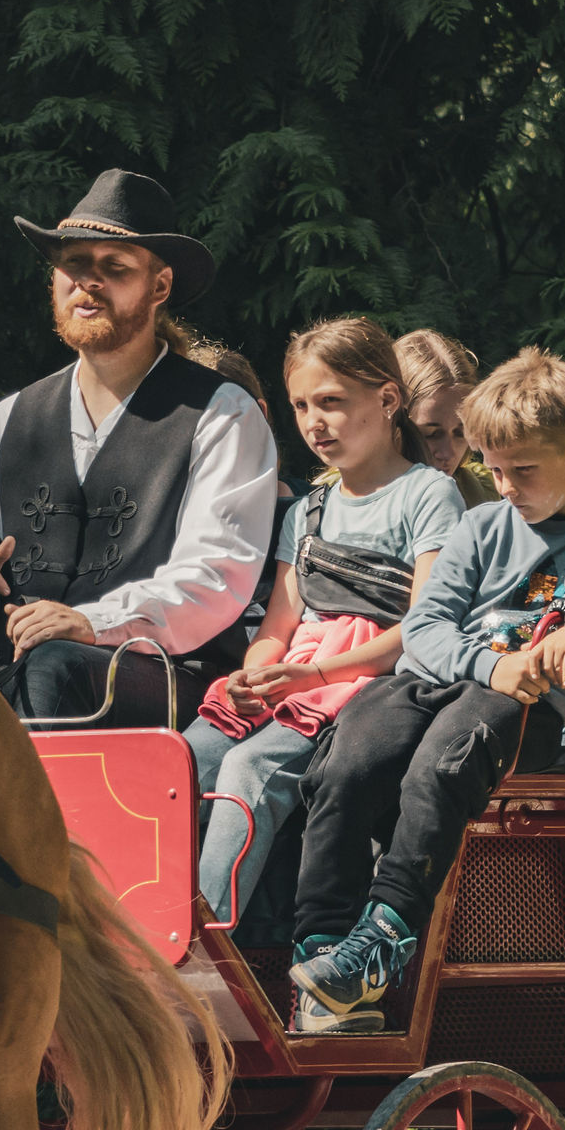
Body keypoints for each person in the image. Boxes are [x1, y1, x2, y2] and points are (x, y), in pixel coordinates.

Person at [285, 350, 565, 1034]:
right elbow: (424, 631)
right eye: (495, 469)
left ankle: (381, 941)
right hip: (445, 681)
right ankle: (322, 947)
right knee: (347, 756)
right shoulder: (480, 527)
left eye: (523, 470)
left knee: (442, 762)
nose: (504, 486)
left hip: (521, 711)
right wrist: (488, 664)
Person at [0, 171, 279, 724]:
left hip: (162, 673)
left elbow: (215, 577)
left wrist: (92, 624)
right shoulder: (12, 418)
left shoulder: (221, 414)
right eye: (75, 265)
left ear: (159, 288)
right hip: (8, 660)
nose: (88, 282)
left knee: (53, 667)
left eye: (114, 268)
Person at [184, 320, 465, 926]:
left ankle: (209, 945)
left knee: (248, 767)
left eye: (332, 402)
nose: (314, 421)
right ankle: (134, 931)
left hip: (363, 687)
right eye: (302, 405)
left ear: (388, 400)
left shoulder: (428, 496)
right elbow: (278, 624)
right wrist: (255, 675)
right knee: (178, 763)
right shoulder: (309, 511)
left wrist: (310, 676)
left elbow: (422, 626)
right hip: (292, 679)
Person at [395, 329, 500, 507]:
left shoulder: (486, 490)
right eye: (431, 434)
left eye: (461, 433)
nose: (448, 454)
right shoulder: (344, 494)